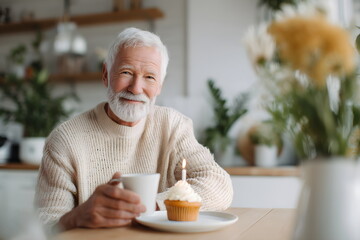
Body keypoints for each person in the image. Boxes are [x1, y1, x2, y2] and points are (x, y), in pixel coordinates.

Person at [35, 27, 233, 231]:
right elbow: (44, 226)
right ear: (105, 75)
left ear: (160, 86)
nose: (136, 88)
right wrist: (77, 216)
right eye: (126, 72)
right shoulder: (65, 140)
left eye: (149, 77)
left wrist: (149, 206)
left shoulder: (173, 126)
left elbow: (218, 183)